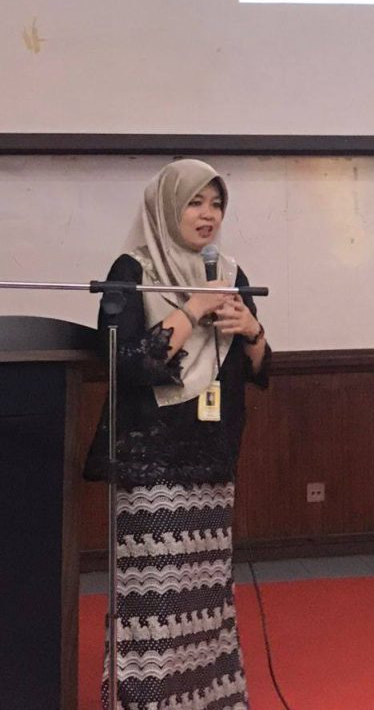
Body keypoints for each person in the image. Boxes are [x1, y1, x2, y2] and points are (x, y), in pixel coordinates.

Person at [84, 158, 269, 710]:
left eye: (217, 204)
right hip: (151, 459)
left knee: (204, 599)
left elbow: (261, 369)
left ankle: (205, 698)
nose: (208, 215)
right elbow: (123, 361)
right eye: (195, 202)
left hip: (212, 451)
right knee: (153, 599)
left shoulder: (229, 272)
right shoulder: (133, 269)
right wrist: (194, 308)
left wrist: (253, 331)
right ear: (167, 207)